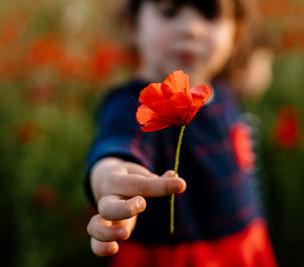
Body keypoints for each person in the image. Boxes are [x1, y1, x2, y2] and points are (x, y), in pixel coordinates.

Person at [84, 0, 278, 266]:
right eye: (170, 12)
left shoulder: (224, 92)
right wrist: (110, 175)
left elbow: (253, 78)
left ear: (236, 34)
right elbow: (119, 141)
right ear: (132, 24)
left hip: (245, 250)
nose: (191, 30)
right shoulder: (133, 103)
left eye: (210, 14)